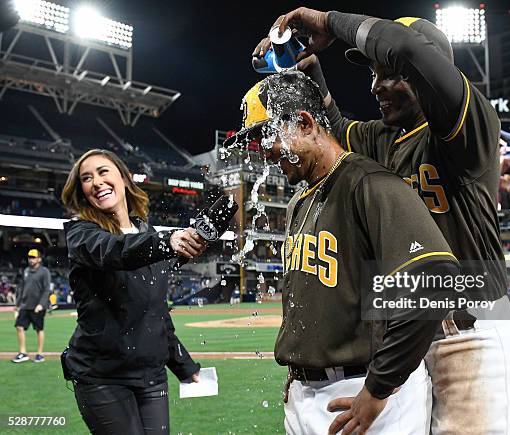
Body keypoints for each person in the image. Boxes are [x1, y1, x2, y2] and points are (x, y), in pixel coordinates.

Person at [254, 9, 510, 434]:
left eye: (392, 74)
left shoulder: (465, 128)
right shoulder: (383, 139)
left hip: (473, 333)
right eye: (375, 74)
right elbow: (328, 128)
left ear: (428, 71)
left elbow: (405, 47)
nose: (376, 85)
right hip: (410, 342)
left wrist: (328, 22)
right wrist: (304, 66)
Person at [226, 70, 462, 434]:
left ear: (304, 123)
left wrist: (378, 387)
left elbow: (433, 283)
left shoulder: (370, 183)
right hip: (306, 392)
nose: (265, 151)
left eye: (267, 134)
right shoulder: (298, 202)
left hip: (365, 392)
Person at [60, 149, 206, 434]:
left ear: (124, 178)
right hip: (103, 377)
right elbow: (116, 252)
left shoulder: (145, 233)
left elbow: (156, 314)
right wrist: (167, 242)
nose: (96, 182)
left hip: (151, 376)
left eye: (103, 172)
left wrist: (185, 366)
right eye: (86, 178)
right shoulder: (81, 233)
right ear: (83, 192)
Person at [12, 249, 51, 363]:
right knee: (19, 327)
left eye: (33, 257)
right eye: (30, 257)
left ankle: (40, 354)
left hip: (37, 306)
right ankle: (23, 353)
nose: (31, 259)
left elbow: (46, 290)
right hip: (25, 305)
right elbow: (22, 288)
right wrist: (17, 304)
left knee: (39, 329)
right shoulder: (26, 270)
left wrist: (41, 304)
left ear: (39, 259)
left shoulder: (44, 271)